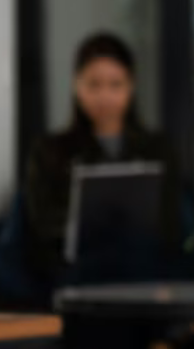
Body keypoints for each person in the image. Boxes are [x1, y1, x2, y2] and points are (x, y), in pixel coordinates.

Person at [25, 31, 183, 294]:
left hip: (142, 263)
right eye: (94, 85)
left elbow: (169, 223)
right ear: (77, 86)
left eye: (115, 85)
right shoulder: (50, 151)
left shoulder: (157, 150)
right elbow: (42, 225)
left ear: (131, 87)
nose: (105, 96)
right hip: (78, 268)